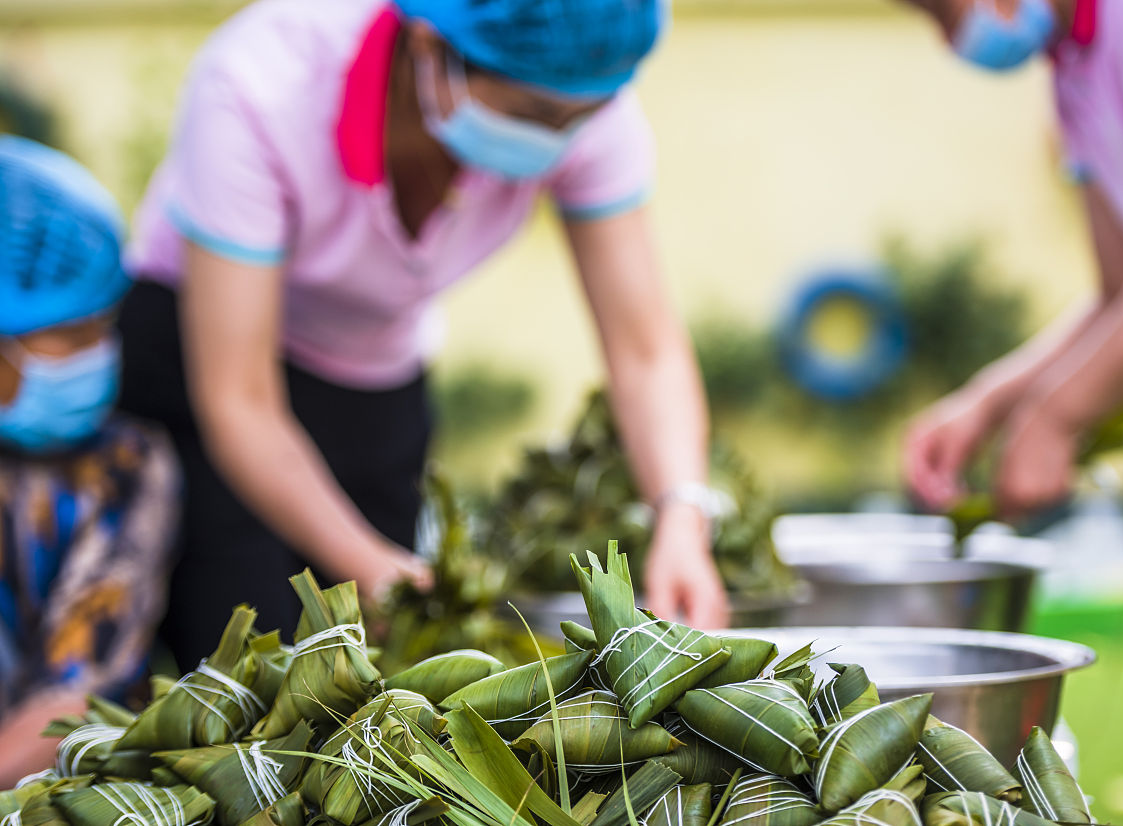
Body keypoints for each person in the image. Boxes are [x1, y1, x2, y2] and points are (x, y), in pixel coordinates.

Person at [119, 0, 730, 668]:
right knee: (245, 647)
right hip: (204, 357)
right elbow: (239, 401)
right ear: (428, 45)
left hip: (369, 368)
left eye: (579, 118)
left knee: (369, 671)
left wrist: (679, 517)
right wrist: (369, 564)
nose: (559, 138)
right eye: (532, 114)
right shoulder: (262, 85)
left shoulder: (581, 100)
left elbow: (644, 350)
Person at [901, 0, 1123, 519]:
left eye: (942, 13)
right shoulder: (1073, 71)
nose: (946, 42)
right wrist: (988, 403)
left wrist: (1054, 417)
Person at [0, 135, 178, 786]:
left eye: (103, 328)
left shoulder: (122, 468)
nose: (98, 355)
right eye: (71, 338)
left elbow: (69, 704)